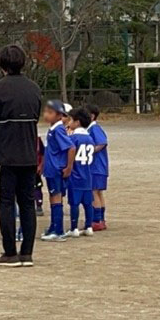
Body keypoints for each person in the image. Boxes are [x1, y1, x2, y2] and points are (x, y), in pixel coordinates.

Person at [0, 44, 43, 267]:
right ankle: (27, 253)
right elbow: (36, 115)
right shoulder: (34, 88)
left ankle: (10, 252)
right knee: (27, 203)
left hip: (4, 155)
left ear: (1, 64)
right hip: (28, 153)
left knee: (5, 204)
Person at [40, 101, 73, 242]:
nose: (46, 115)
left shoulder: (58, 130)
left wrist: (68, 167)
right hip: (50, 168)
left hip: (56, 169)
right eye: (45, 111)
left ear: (59, 115)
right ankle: (53, 226)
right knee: (53, 197)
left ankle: (58, 230)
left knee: (56, 197)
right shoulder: (53, 128)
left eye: (50, 112)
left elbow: (71, 148)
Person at [67, 109, 97, 238]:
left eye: (71, 120)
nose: (69, 122)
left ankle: (74, 228)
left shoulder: (72, 138)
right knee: (88, 203)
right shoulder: (90, 139)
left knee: (74, 203)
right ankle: (89, 226)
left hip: (75, 175)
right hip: (87, 175)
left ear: (77, 122)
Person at [86, 104, 109, 231]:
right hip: (99, 167)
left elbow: (102, 142)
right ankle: (101, 219)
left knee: (94, 192)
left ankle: (97, 220)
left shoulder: (94, 128)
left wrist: (89, 150)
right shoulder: (90, 128)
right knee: (98, 192)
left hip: (96, 166)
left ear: (91, 116)